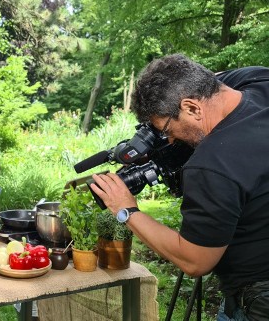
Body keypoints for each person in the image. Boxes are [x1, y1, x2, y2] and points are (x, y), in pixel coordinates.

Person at [89, 54, 269, 321]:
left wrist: (126, 209)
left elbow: (195, 261)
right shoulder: (258, 82)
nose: (169, 139)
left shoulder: (212, 165)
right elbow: (212, 79)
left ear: (193, 108)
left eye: (166, 129)